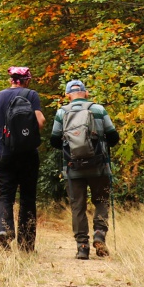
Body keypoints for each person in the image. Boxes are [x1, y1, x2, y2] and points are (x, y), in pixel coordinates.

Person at [50, 79, 120, 260]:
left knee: (77, 207)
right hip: (99, 167)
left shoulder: (61, 112)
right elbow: (113, 136)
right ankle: (99, 234)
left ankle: (82, 247)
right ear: (85, 92)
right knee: (101, 201)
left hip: (73, 169)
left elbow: (54, 140)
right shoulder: (98, 110)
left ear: (67, 95)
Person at [0, 66, 45, 251]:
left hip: (3, 155)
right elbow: (40, 121)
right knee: (27, 198)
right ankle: (26, 245)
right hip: (28, 154)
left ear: (10, 79)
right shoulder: (31, 95)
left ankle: (3, 230)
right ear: (26, 80)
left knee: (5, 195)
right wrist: (29, 137)